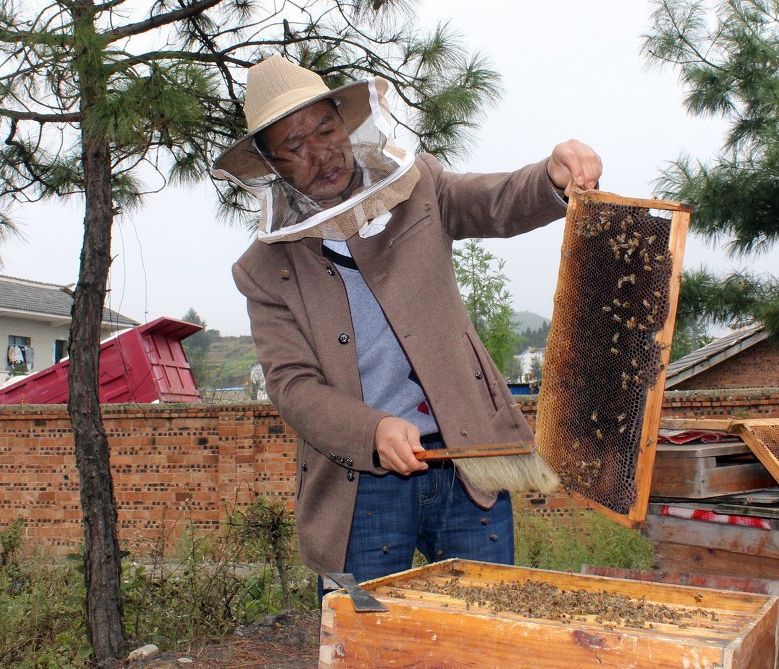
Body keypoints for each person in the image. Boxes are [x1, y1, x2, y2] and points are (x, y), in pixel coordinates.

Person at [214, 55, 601, 585]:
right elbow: (291, 385)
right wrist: (372, 428)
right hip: (359, 482)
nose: (321, 153)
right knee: (367, 643)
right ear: (272, 166)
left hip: (467, 459)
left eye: (327, 130)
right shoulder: (264, 270)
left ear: (345, 125)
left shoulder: (419, 186)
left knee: (485, 631)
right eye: (296, 147)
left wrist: (551, 176)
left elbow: (495, 200)